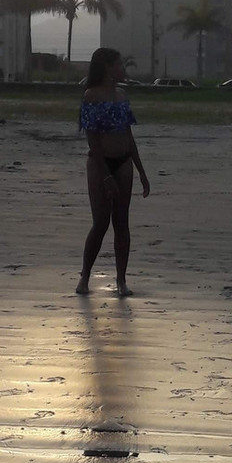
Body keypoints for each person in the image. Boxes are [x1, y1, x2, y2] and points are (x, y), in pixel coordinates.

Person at [76, 47, 151, 296]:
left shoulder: (121, 95)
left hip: (124, 162)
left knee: (122, 223)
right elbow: (92, 139)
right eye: (118, 64)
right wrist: (106, 174)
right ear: (107, 67)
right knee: (100, 223)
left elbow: (129, 136)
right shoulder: (91, 96)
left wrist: (141, 170)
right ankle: (84, 277)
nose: (122, 68)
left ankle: (121, 280)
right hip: (100, 163)